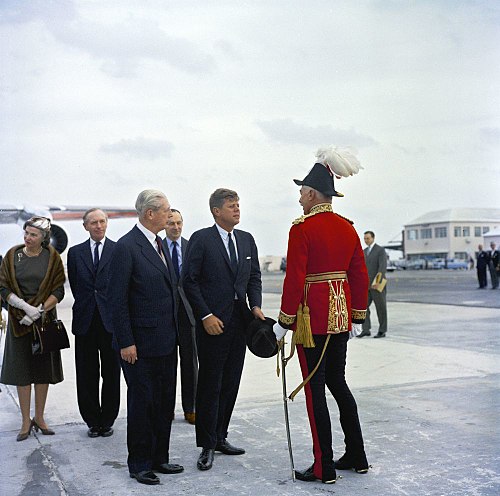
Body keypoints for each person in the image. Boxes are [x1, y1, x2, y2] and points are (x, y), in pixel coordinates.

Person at [273, 147, 369, 484]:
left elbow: (294, 278)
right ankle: (357, 455)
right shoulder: (347, 227)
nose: (300, 197)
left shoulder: (302, 228)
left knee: (315, 391)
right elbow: (359, 274)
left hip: (311, 321)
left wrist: (285, 322)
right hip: (340, 317)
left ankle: (323, 466)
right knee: (338, 383)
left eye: (302, 191)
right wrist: (356, 315)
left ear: (313, 193)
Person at [182, 188, 265, 472]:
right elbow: (189, 281)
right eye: (231, 206)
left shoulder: (246, 240)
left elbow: (254, 277)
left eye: (238, 205)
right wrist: (205, 315)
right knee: (210, 384)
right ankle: (206, 444)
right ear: (217, 211)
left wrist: (255, 306)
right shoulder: (201, 239)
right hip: (212, 324)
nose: (237, 209)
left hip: (239, 323)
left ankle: (220, 437)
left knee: (230, 382)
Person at [107, 190, 183, 485]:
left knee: (164, 401)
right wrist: (126, 341)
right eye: (165, 210)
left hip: (166, 340)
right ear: (150, 213)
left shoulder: (159, 243)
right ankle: (139, 463)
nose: (169, 214)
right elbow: (117, 300)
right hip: (138, 345)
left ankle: (159, 458)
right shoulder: (126, 247)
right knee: (143, 403)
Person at [0, 217, 65, 441]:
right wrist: (25, 308)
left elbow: (58, 289)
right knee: (22, 371)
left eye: (33, 235)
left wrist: (39, 310)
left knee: (42, 370)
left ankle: (39, 417)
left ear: (44, 238)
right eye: (26, 233)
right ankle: (25, 421)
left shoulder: (52, 257)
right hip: (19, 321)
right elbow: (3, 286)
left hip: (44, 321)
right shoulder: (12, 255)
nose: (27, 238)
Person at [67, 208, 121, 438]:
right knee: (87, 373)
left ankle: (107, 419)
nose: (98, 226)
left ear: (107, 224)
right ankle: (92, 420)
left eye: (102, 221)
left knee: (111, 372)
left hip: (110, 321)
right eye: (93, 223)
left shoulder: (118, 250)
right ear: (85, 226)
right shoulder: (75, 253)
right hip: (86, 320)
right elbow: (76, 284)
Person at [162, 209, 197, 425]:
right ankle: (166, 409)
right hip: (165, 311)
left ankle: (191, 407)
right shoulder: (157, 247)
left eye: (179, 223)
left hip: (188, 312)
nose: (175, 228)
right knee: (166, 364)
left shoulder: (191, 246)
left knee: (190, 361)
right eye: (171, 223)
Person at [358, 231, 388, 338]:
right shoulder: (364, 251)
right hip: (366, 286)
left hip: (377, 284)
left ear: (373, 238)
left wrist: (377, 282)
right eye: (365, 239)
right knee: (363, 307)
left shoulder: (380, 250)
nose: (366, 240)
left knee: (381, 307)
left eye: (368, 238)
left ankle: (382, 330)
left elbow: (382, 267)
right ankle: (366, 329)